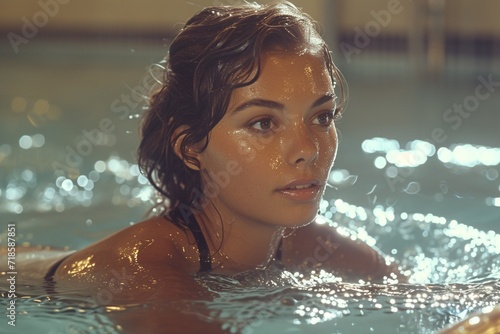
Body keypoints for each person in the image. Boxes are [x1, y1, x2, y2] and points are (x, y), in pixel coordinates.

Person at [3, 1, 406, 332]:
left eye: (321, 117)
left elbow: (424, 298)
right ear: (191, 147)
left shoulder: (304, 244)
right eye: (263, 123)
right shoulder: (147, 272)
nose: (307, 150)